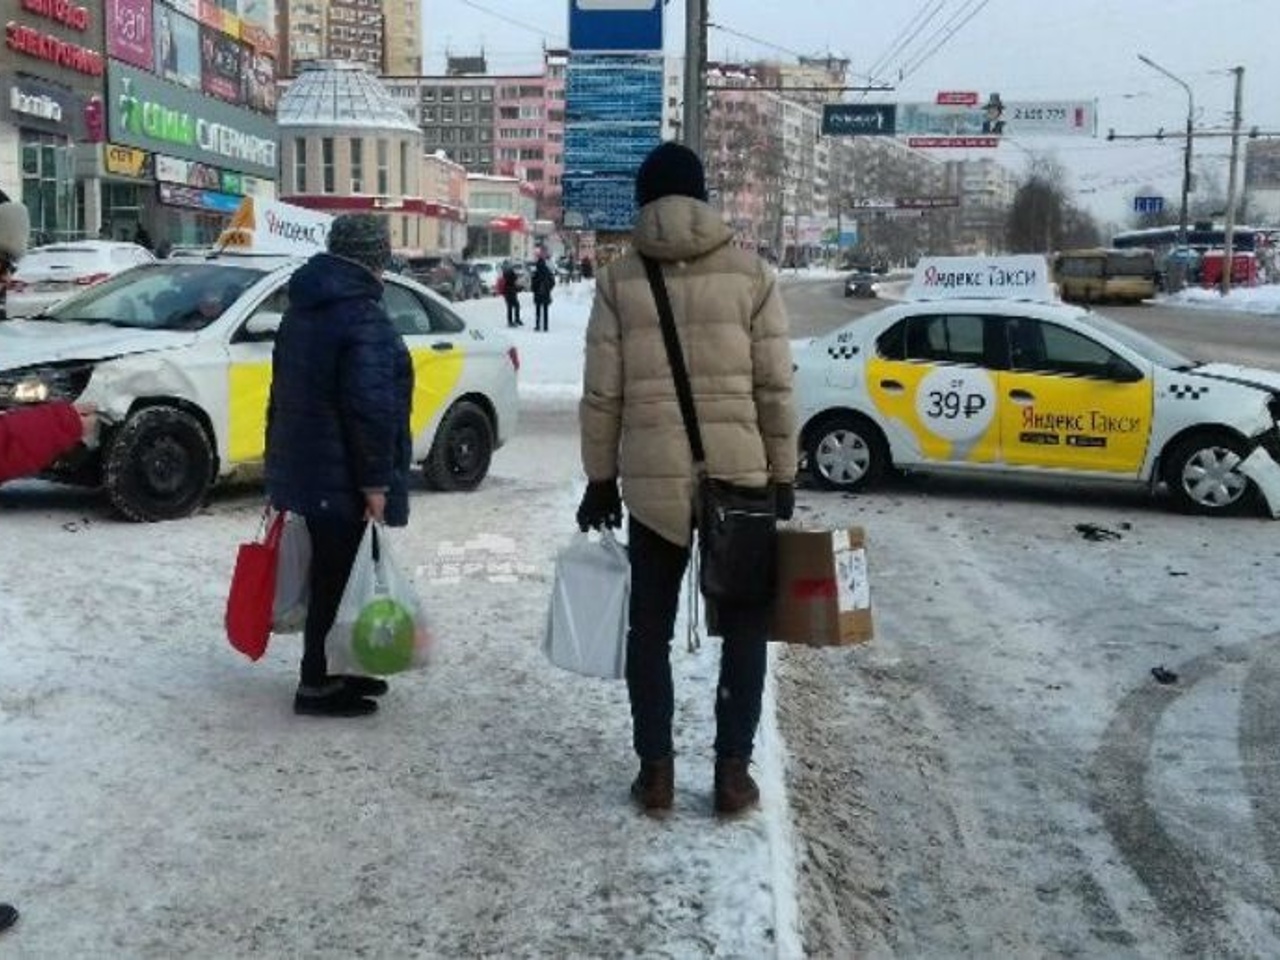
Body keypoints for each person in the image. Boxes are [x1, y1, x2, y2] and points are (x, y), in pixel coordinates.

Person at [577, 141, 797, 818]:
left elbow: (602, 395)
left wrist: (599, 479)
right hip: (741, 478)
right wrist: (782, 472)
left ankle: (658, 775)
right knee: (747, 628)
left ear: (646, 201)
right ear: (701, 198)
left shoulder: (619, 281)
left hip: (650, 486)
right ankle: (732, 777)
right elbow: (774, 387)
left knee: (650, 629)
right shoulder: (753, 275)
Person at [265, 214, 413, 718]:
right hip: (344, 473)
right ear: (375, 259)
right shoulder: (361, 316)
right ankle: (316, 684)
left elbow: (280, 395)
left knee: (337, 573)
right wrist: (375, 482)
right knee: (335, 577)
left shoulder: (303, 309)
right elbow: (370, 408)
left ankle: (340, 669)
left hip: (310, 465)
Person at [531, 251, 555, 332]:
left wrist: (534, 290)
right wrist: (549, 289)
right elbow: (552, 282)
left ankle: (537, 325)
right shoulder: (547, 272)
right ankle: (545, 326)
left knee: (538, 310)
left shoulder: (536, 273)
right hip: (546, 294)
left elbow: (533, 284)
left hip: (538, 294)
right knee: (545, 311)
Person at [501, 260, 522, 327]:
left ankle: (511, 321)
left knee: (510, 307)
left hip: (507, 291)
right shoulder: (509, 272)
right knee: (516, 306)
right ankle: (515, 320)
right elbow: (514, 279)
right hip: (511, 291)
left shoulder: (504, 272)